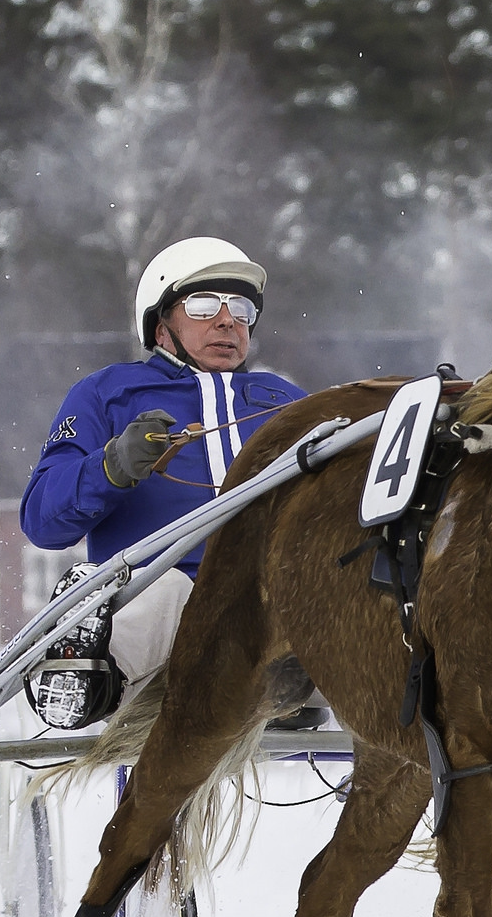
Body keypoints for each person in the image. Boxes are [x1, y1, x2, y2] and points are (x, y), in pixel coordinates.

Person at [20, 237, 307, 728]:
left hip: (276, 608)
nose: (227, 320)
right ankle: (84, 673)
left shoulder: (286, 400)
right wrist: (110, 467)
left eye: (240, 308)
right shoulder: (107, 394)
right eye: (202, 304)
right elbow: (43, 523)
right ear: (160, 325)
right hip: (162, 607)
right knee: (168, 588)